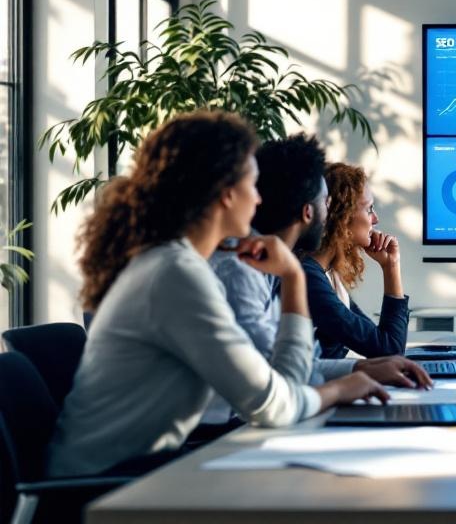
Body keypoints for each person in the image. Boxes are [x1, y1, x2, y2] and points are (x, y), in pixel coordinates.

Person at [47, 112, 389, 478]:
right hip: (109, 487)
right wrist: (340, 389)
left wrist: (293, 279)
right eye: (253, 185)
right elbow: (274, 403)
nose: (259, 200)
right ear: (227, 194)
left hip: (142, 472)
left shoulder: (177, 264)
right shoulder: (176, 275)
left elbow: (273, 381)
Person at [204, 135, 431, 426]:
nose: (330, 214)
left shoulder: (273, 266)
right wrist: (344, 384)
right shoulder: (247, 270)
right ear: (309, 212)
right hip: (221, 432)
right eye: (327, 203)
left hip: (248, 421)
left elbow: (290, 370)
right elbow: (278, 383)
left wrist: (361, 368)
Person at [304, 162, 410, 358]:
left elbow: (385, 345)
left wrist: (390, 264)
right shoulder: (308, 278)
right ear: (341, 216)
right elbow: (388, 349)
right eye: (369, 209)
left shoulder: (327, 274)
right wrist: (391, 268)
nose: (375, 219)